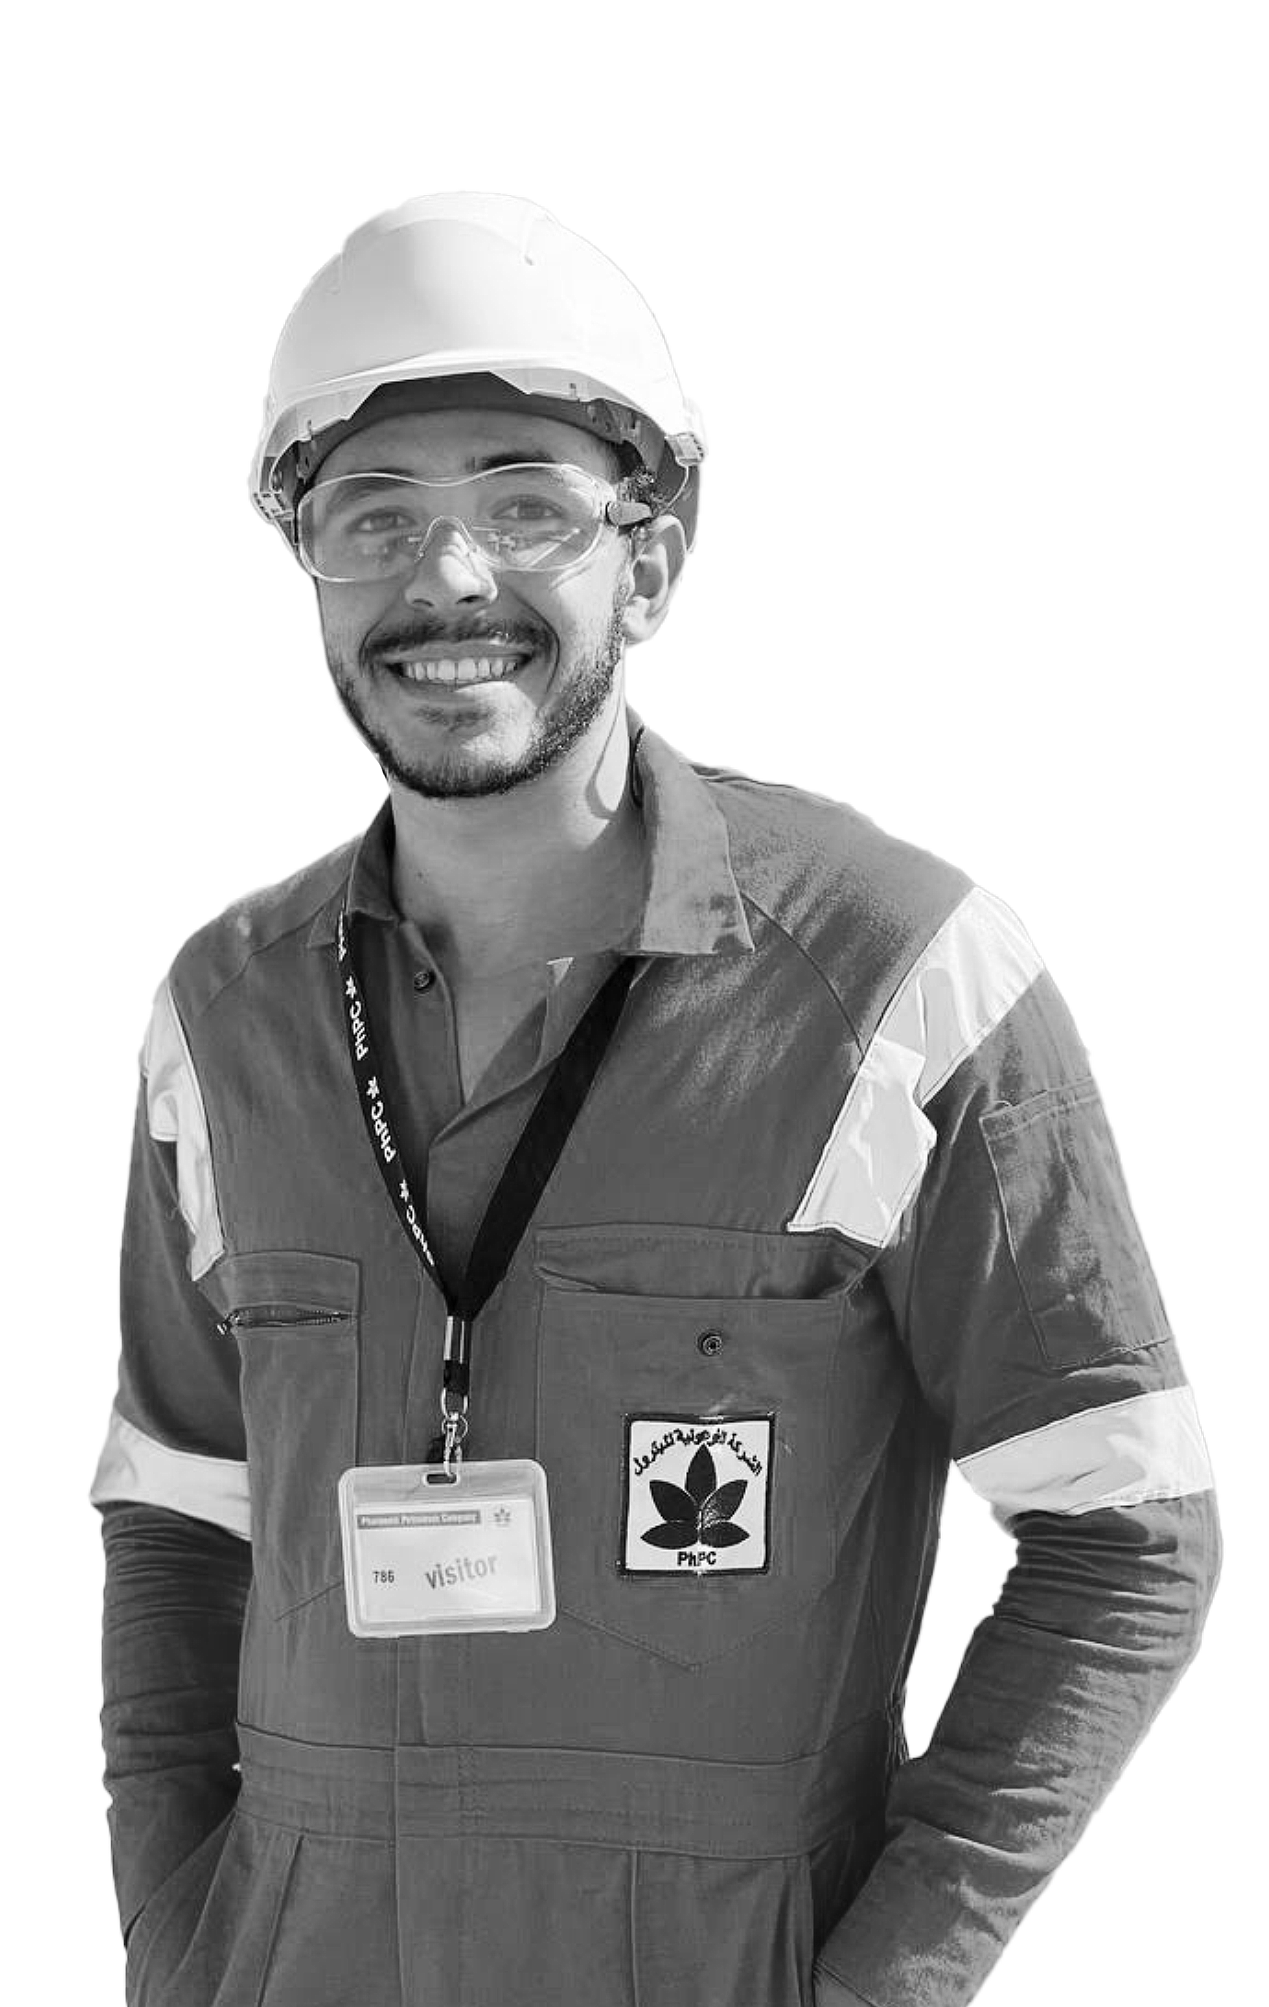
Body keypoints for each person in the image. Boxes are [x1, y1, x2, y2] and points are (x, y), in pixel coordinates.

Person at [91, 191, 1221, 2007]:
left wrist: (885, 1982)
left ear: (655, 559)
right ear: (313, 570)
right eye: (373, 515)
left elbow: (1127, 1532)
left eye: (526, 505)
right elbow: (175, 1512)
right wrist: (177, 1940)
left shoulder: (902, 979)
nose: (448, 580)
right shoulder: (225, 1013)